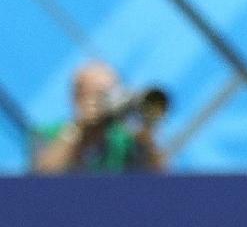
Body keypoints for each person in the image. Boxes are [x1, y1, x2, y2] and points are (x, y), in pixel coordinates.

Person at [31, 60, 168, 175]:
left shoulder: (123, 140)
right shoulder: (48, 133)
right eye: (102, 94)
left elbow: (160, 181)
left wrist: (147, 140)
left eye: (115, 91)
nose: (112, 100)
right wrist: (79, 128)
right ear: (77, 98)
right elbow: (44, 174)